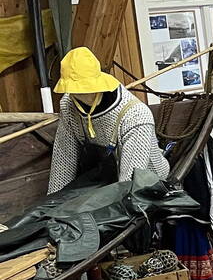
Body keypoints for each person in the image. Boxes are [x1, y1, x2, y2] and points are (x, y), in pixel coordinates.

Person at [48, 47, 170, 192]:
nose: (77, 93)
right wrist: (51, 205)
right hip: (105, 177)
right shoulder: (69, 104)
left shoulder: (135, 116)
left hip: (148, 179)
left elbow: (129, 185)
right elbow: (63, 159)